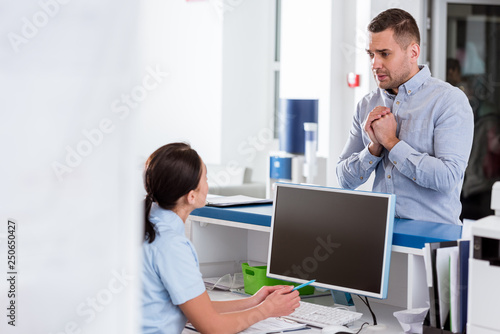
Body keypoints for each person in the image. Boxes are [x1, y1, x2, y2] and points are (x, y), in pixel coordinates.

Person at [141, 142, 300, 334]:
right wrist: (267, 310)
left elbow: (199, 310)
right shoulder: (172, 245)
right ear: (191, 196)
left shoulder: (148, 223)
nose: (208, 185)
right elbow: (212, 327)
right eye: (205, 178)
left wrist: (254, 301)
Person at [336, 8, 474, 225]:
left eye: (384, 53)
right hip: (378, 236)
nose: (375, 64)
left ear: (413, 52)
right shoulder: (366, 105)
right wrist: (373, 148)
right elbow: (344, 180)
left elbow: (448, 178)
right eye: (371, 54)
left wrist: (392, 143)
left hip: (432, 242)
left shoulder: (449, 101)